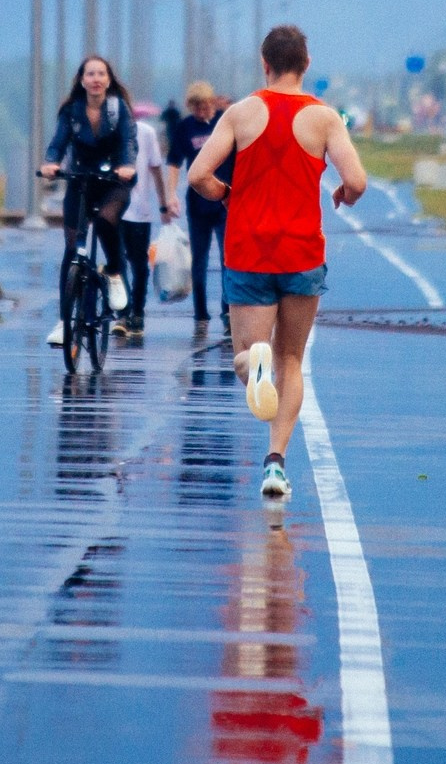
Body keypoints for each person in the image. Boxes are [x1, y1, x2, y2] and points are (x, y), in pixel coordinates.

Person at [187, 25, 368, 501]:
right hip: (301, 252)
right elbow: (358, 181)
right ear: (306, 65)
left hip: (248, 249)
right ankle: (276, 465)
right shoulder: (324, 118)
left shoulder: (240, 113)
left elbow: (198, 174)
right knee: (292, 361)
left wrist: (229, 196)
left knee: (247, 357)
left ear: (263, 63)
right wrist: (343, 193)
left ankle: (253, 362)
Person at [41, 55, 138, 347]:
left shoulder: (117, 108)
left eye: (101, 74)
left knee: (108, 222)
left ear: (109, 80)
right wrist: (51, 163)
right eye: (90, 74)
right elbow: (58, 142)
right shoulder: (71, 111)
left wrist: (127, 166)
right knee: (72, 250)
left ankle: (115, 272)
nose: (96, 79)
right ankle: (64, 321)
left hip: (113, 183)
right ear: (82, 80)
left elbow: (127, 142)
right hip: (81, 180)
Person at [168, 81, 229, 330]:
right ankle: (201, 312)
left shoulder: (224, 122)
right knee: (199, 259)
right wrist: (170, 194)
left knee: (229, 259)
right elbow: (174, 162)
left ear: (212, 103)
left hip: (226, 200)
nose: (201, 112)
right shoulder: (185, 128)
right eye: (195, 108)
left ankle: (228, 311)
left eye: (204, 106)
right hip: (198, 203)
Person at [119, 106, 171, 336]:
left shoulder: (146, 133)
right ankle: (123, 312)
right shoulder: (105, 132)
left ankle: (137, 313)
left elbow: (156, 170)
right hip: (114, 209)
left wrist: (163, 203)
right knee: (116, 262)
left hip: (139, 210)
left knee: (138, 264)